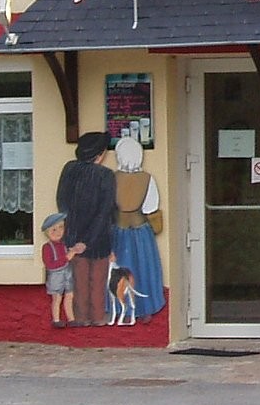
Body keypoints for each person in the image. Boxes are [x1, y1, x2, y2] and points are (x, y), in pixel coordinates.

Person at [57, 131, 117, 327]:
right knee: (98, 281)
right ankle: (98, 318)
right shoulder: (106, 175)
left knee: (79, 281)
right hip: (98, 238)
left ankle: (81, 318)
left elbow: (62, 202)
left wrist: (74, 236)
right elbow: (105, 211)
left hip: (73, 235)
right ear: (99, 154)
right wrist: (88, 240)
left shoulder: (69, 169)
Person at [109, 135, 168, 323]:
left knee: (118, 270)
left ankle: (118, 308)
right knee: (143, 268)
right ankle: (145, 308)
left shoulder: (112, 178)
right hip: (141, 231)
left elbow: (108, 205)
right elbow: (151, 207)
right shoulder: (147, 179)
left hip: (117, 232)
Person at [38, 211, 81, 328]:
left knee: (69, 295)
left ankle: (71, 319)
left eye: (61, 228)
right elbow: (50, 264)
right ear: (47, 232)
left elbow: (68, 257)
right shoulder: (47, 247)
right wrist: (67, 257)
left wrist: (74, 251)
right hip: (56, 275)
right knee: (57, 297)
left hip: (67, 274)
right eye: (53, 230)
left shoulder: (63, 245)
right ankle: (56, 319)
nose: (58, 232)